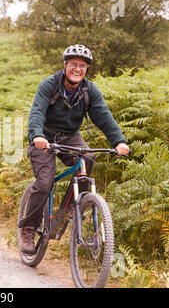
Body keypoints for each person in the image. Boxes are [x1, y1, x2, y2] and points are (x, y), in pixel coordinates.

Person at [19, 44, 130, 254]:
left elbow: (104, 117)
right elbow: (36, 113)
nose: (77, 69)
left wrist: (119, 141)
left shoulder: (89, 90)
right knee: (44, 183)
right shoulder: (49, 85)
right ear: (65, 65)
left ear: (86, 69)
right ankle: (28, 228)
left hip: (70, 137)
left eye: (82, 65)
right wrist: (38, 136)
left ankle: (73, 204)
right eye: (73, 64)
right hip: (44, 137)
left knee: (88, 158)